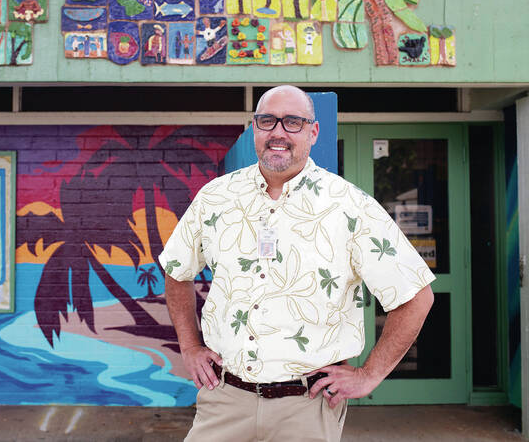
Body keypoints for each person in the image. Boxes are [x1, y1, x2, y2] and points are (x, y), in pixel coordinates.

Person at [160, 85, 435, 442]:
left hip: (306, 407)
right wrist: (190, 346)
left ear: (313, 132)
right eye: (267, 121)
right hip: (224, 399)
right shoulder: (215, 197)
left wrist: (370, 374)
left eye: (292, 122)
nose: (278, 132)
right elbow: (176, 268)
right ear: (255, 128)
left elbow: (416, 295)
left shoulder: (350, 206)